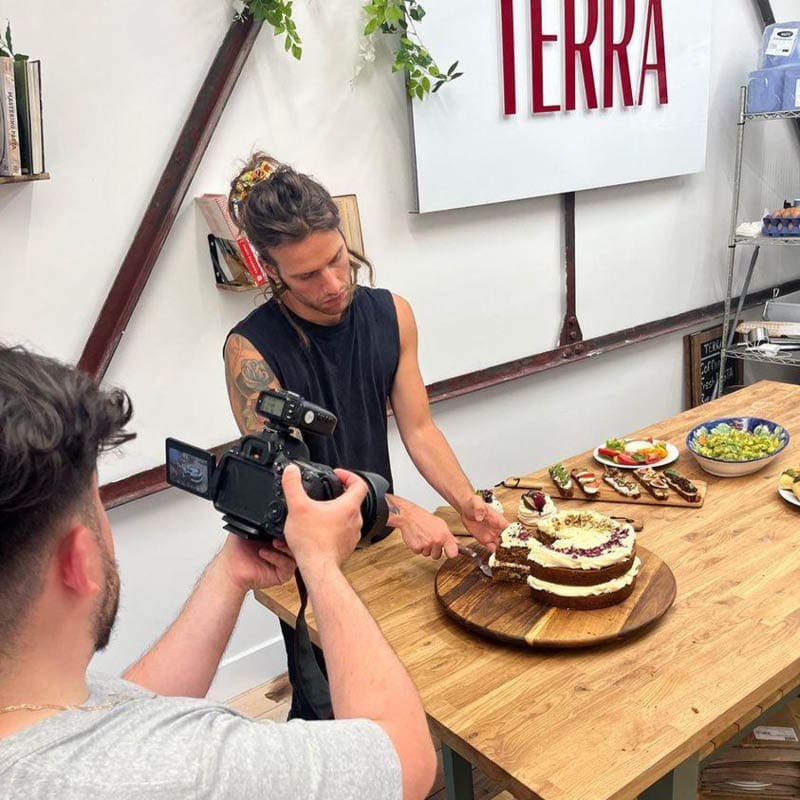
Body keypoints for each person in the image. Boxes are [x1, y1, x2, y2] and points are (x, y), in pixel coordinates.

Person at [0, 344, 436, 800]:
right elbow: (407, 761)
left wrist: (231, 571)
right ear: (79, 559)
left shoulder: (39, 703)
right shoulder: (191, 768)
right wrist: (321, 563)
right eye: (98, 506)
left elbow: (121, 710)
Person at [223, 154, 509, 720]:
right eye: (307, 275)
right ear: (270, 270)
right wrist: (402, 510)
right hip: (309, 562)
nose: (332, 285)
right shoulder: (249, 351)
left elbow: (420, 428)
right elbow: (296, 488)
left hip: (379, 545)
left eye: (337, 260)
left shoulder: (391, 314)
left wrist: (466, 503)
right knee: (331, 713)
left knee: (401, 700)